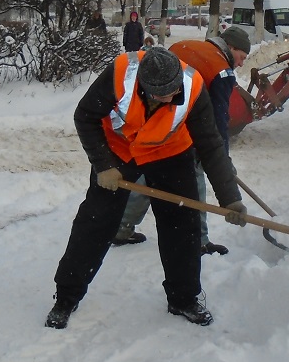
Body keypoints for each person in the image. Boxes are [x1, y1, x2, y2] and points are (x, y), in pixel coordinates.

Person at [46, 47, 247, 330]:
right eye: (162, 95)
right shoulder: (120, 74)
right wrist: (103, 165)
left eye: (173, 92)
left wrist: (231, 200)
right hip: (119, 151)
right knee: (95, 221)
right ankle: (66, 297)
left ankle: (183, 298)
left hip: (170, 151)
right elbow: (86, 116)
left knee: (183, 223)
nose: (170, 98)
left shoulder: (192, 87)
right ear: (145, 86)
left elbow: (210, 144)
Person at [113, 25, 252, 255]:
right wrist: (222, 163)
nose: (241, 63)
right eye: (241, 56)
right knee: (194, 177)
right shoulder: (222, 71)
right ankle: (199, 240)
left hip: (152, 117)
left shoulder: (187, 46)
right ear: (231, 47)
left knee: (150, 175)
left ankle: (120, 227)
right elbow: (216, 124)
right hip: (180, 127)